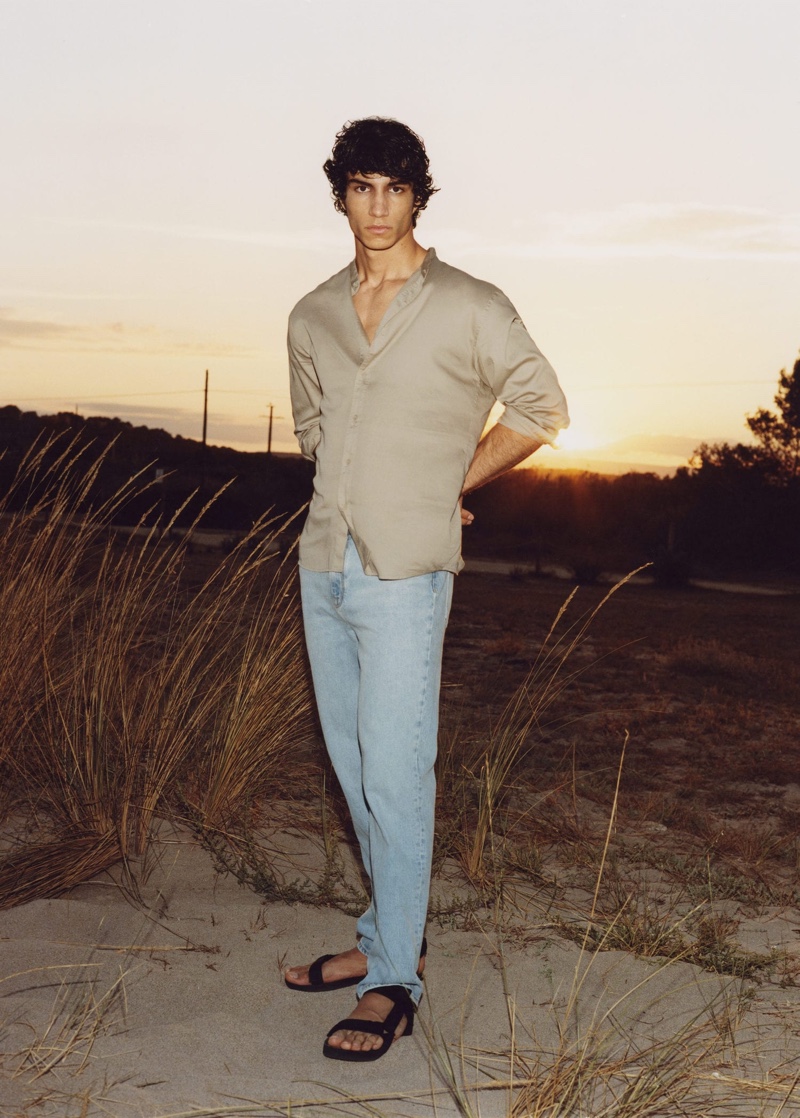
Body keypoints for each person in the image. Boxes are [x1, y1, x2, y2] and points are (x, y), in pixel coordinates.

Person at [284, 117, 568, 1062]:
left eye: (394, 189)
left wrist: (447, 483)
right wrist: (357, 487)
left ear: (418, 197)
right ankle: (379, 938)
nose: (377, 207)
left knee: (398, 781)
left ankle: (393, 983)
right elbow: (318, 430)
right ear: (340, 194)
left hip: (407, 574)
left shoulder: (470, 304)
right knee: (356, 774)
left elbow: (542, 408)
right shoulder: (311, 312)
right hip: (322, 564)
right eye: (360, 187)